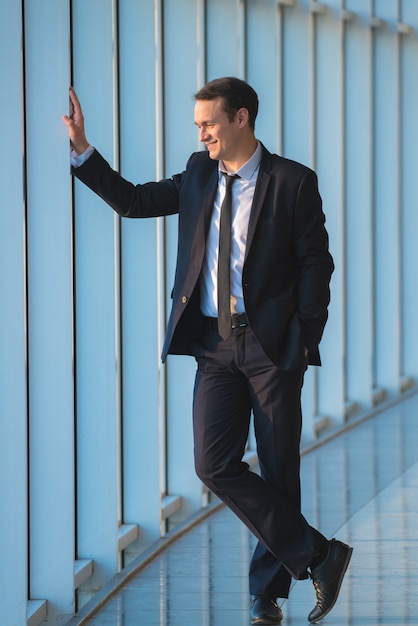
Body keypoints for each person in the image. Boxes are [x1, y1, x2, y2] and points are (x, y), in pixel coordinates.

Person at [63, 77, 352, 625]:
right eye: (198, 124)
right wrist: (83, 152)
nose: (200, 134)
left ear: (241, 119)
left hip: (272, 347)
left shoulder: (292, 181)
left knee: (277, 470)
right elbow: (135, 201)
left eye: (208, 123)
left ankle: (266, 598)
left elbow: (318, 262)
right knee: (212, 462)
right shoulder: (199, 174)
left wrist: (305, 333)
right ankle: (318, 554)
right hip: (215, 343)